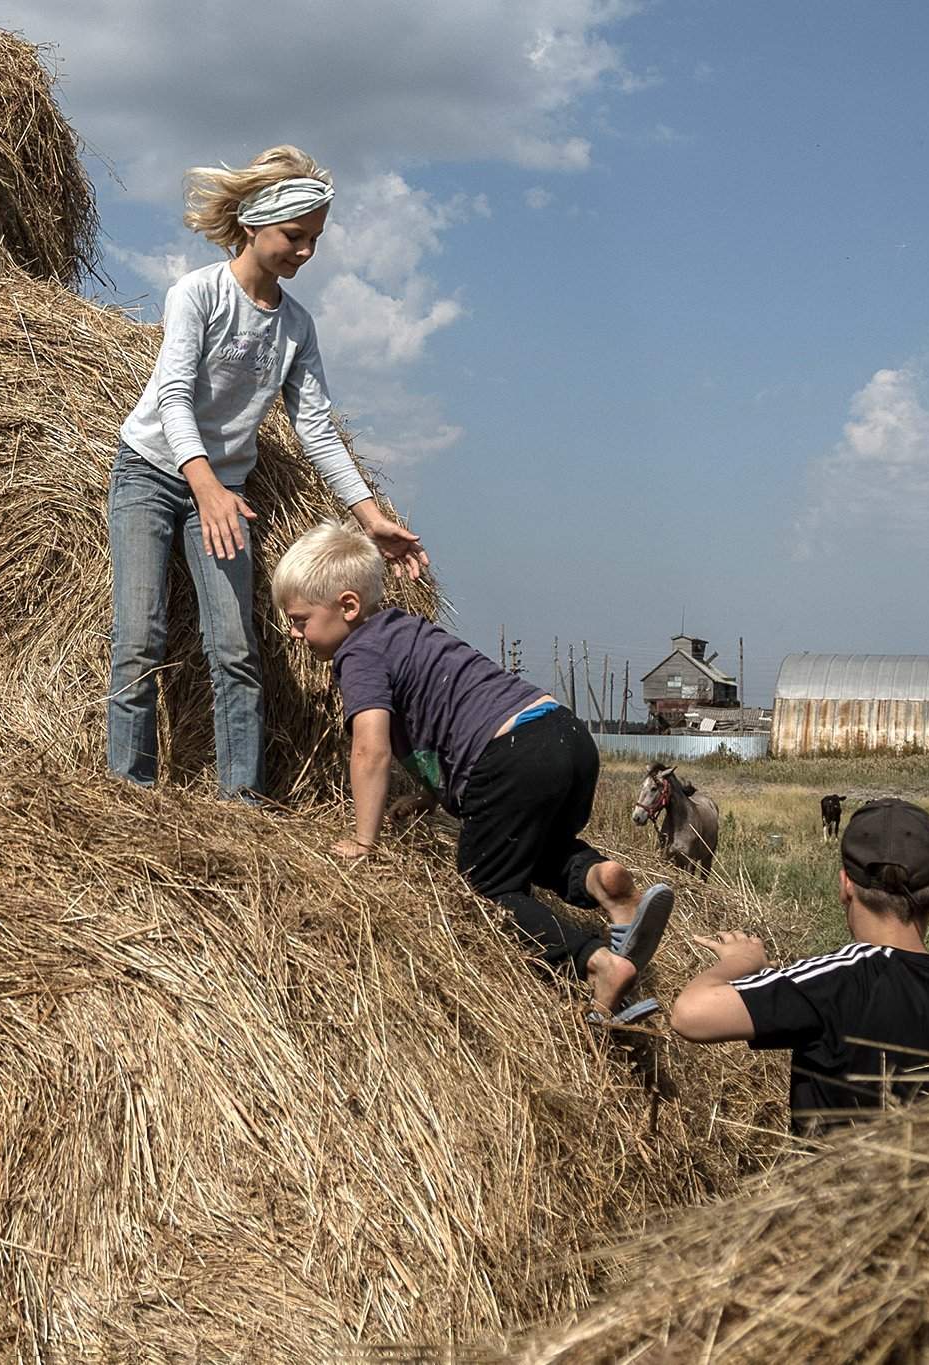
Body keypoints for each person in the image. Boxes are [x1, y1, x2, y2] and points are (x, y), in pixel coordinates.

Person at [107, 145, 428, 797]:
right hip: (150, 471)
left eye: (314, 239)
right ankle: (128, 794)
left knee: (235, 648)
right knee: (140, 635)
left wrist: (371, 518)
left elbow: (315, 427)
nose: (305, 252)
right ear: (254, 223)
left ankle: (242, 803)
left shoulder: (296, 328)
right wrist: (205, 486)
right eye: (293, 236)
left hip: (221, 492)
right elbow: (172, 397)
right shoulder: (198, 293)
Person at [272, 521, 674, 1023]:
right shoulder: (406, 629)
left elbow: (370, 750)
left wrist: (363, 841)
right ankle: (602, 880)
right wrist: (429, 795)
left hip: (508, 757)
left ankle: (594, 964)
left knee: (486, 887)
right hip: (564, 735)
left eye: (299, 619)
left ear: (348, 607)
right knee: (520, 846)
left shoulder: (358, 653)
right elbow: (433, 726)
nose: (292, 632)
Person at [670, 798, 929, 1136]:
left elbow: (690, 1014)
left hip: (828, 1186)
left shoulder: (832, 982)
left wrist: (741, 961)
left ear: (845, 886)